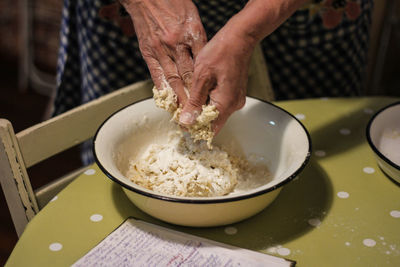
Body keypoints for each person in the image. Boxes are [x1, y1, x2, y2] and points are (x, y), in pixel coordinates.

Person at [53, 0, 373, 164]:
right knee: (123, 150)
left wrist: (247, 29)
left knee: (307, 160)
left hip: (303, 14)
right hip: (134, 14)